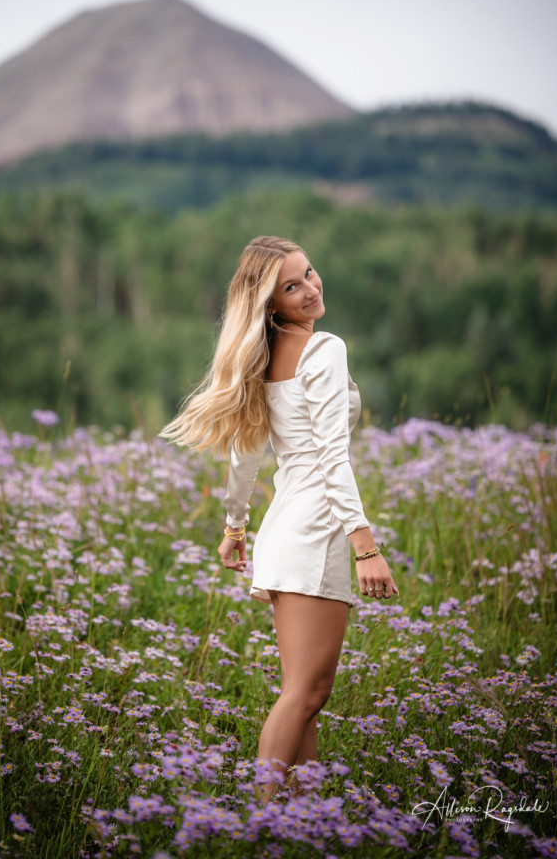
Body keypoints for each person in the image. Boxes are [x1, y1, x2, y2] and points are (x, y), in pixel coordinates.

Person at [161, 235, 398, 799]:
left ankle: (304, 818)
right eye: (293, 286)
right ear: (271, 303)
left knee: (304, 695)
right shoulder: (325, 349)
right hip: (314, 531)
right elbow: (332, 456)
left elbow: (245, 454)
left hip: (283, 530)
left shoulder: (261, 362)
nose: (311, 289)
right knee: (305, 696)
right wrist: (365, 546)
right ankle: (263, 815)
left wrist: (235, 527)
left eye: (310, 273)